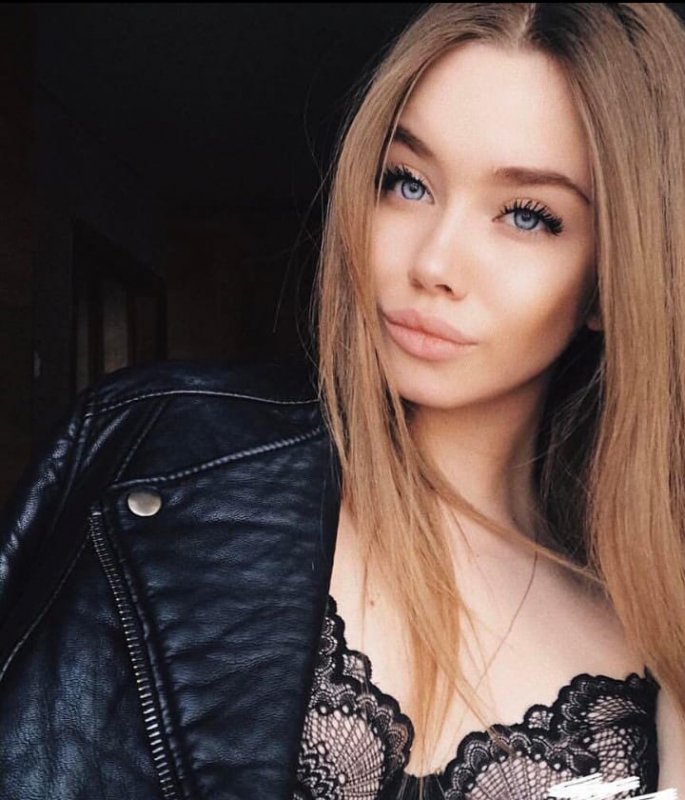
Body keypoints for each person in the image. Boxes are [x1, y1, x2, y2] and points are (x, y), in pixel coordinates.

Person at [1, 3, 684, 799]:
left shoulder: (645, 645)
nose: (433, 263)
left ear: (612, 277)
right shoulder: (160, 461)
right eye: (407, 182)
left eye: (528, 216)